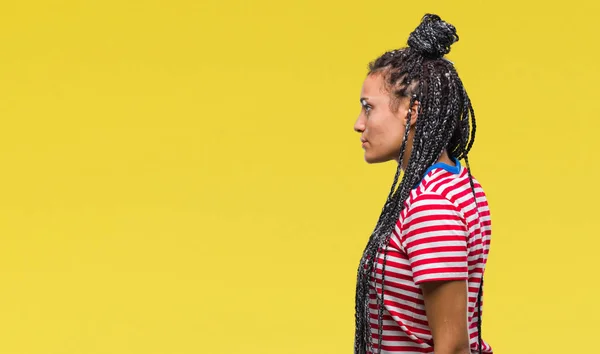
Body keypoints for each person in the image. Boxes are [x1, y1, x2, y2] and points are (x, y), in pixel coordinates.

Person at [352, 14, 492, 354]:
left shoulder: (432, 206)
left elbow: (454, 347)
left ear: (412, 112)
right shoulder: (455, 184)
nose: (358, 124)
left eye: (368, 108)